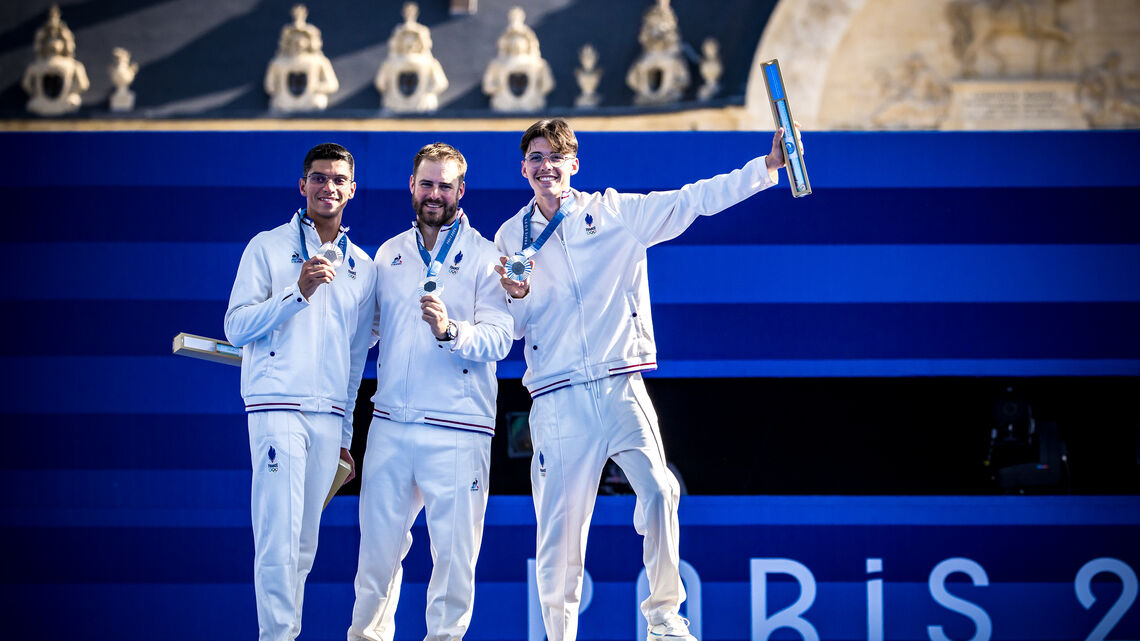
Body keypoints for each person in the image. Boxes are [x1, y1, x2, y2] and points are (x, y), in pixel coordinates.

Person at [493, 119, 791, 641]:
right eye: (536, 158)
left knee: (658, 491)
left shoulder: (615, 214)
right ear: (524, 168)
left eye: (555, 157)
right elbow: (517, 327)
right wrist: (516, 297)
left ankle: (665, 620)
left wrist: (765, 170)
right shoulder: (508, 235)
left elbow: (695, 199)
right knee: (560, 535)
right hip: (557, 398)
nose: (545, 167)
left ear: (573, 164)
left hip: (620, 384)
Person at [350, 143, 513, 641]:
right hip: (392, 427)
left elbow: (501, 338)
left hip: (458, 428)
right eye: (427, 184)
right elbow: (365, 332)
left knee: (454, 562)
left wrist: (451, 332)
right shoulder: (389, 254)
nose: (435, 194)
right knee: (377, 556)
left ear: (461, 191)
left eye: (445, 185)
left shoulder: (487, 256)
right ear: (412, 186)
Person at [224, 143, 376, 641]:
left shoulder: (364, 267)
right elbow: (236, 327)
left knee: (305, 543)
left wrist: (346, 434)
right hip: (276, 406)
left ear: (352, 190)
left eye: (338, 179)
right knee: (278, 540)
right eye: (318, 177)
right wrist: (297, 293)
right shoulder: (266, 247)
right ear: (302, 185)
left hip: (328, 415)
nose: (327, 187)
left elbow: (355, 361)